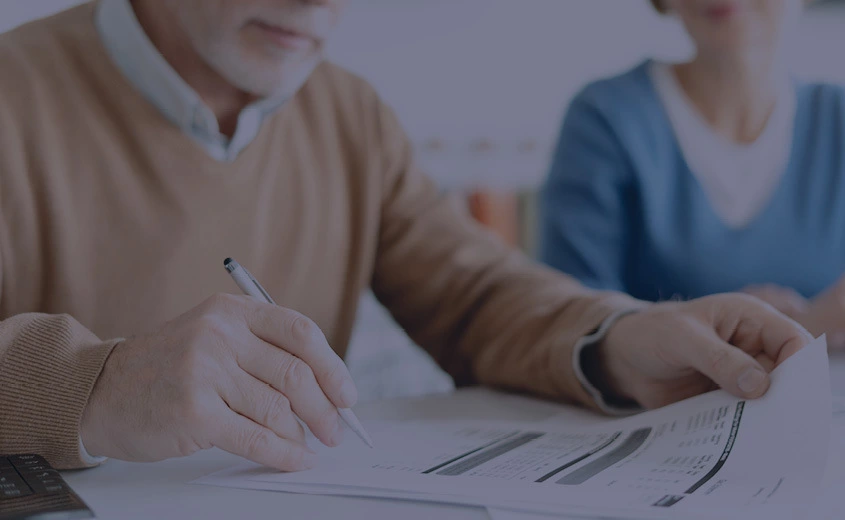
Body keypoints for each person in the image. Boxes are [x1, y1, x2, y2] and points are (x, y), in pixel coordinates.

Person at [0, 0, 810, 473]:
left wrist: (614, 336)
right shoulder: (15, 93)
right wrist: (93, 383)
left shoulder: (348, 113)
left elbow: (474, 290)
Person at [540, 0, 845, 347]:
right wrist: (799, 327)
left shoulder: (838, 120)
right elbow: (572, 326)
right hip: (657, 402)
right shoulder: (604, 119)